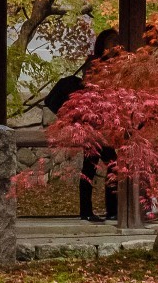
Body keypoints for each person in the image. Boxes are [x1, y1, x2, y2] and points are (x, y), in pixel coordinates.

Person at [45, 28, 119, 223]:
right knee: (91, 166)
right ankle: (87, 210)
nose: (114, 45)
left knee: (112, 165)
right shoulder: (94, 64)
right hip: (92, 123)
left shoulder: (120, 65)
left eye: (116, 41)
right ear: (102, 44)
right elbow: (89, 91)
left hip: (108, 123)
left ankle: (111, 209)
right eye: (110, 41)